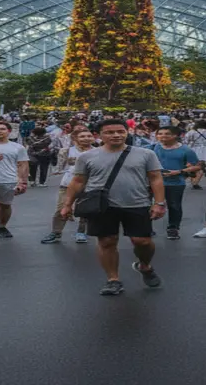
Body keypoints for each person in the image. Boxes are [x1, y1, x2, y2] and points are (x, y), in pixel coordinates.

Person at [60, 119, 166, 296]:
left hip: (137, 203)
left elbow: (155, 178)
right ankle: (113, 279)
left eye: (120, 131)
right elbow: (78, 181)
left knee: (142, 241)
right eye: (110, 132)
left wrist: (159, 203)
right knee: (107, 241)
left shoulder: (145, 154)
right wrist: (67, 204)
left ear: (127, 132)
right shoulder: (87, 156)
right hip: (101, 205)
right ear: (99, 135)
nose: (116, 135)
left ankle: (144, 265)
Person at [42, 127, 97, 244]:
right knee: (61, 209)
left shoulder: (98, 152)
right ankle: (56, 232)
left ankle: (81, 232)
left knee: (85, 210)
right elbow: (60, 167)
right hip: (68, 184)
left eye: (89, 136)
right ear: (75, 138)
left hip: (90, 185)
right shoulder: (66, 151)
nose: (86, 139)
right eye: (82, 136)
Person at [151, 126, 200, 239]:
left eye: (167, 134)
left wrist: (179, 171)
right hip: (153, 182)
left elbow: (197, 166)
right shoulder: (154, 147)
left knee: (174, 206)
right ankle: (147, 228)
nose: (163, 136)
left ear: (175, 136)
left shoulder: (186, 150)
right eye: (160, 133)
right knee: (147, 204)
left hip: (175, 183)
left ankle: (173, 228)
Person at [184, 121, 206, 189]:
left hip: (194, 149)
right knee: (201, 166)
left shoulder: (192, 132)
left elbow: (186, 141)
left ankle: (193, 180)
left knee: (194, 165)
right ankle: (195, 183)